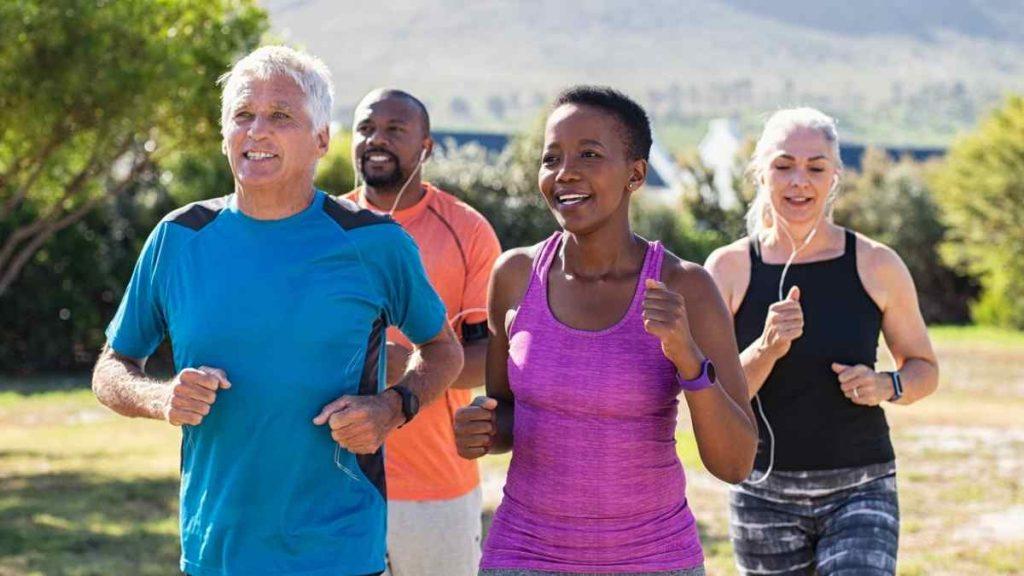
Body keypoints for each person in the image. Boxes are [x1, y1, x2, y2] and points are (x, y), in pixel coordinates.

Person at [90, 46, 464, 576]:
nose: (257, 131)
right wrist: (160, 397)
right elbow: (110, 367)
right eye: (243, 115)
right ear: (225, 135)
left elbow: (443, 349)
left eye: (281, 116)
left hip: (340, 551)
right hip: (214, 552)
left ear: (321, 139)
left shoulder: (375, 243)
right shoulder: (178, 239)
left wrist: (391, 408)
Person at [454, 86, 758, 576]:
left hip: (652, 558)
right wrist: (484, 429)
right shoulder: (513, 277)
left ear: (635, 174)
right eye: (551, 158)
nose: (564, 172)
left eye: (589, 154)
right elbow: (508, 411)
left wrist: (686, 357)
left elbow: (735, 463)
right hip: (524, 555)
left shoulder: (686, 287)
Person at [704, 108, 940, 576]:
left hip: (862, 487)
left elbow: (924, 368)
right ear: (760, 172)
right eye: (783, 165)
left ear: (834, 177)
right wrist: (766, 348)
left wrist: (887, 384)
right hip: (762, 493)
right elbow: (710, 397)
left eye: (815, 168)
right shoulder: (727, 270)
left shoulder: (877, 264)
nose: (799, 181)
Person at [342, 88, 502, 576]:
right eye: (367, 128)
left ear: (426, 147)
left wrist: (411, 365)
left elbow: (493, 355)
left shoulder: (468, 230)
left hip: (436, 484)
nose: (377, 139)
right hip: (331, 481)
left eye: (395, 130)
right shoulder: (319, 228)